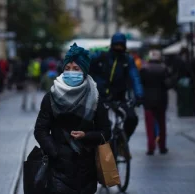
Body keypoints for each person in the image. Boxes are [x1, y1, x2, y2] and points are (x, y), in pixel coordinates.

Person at [34, 43, 111, 194]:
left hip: (86, 169)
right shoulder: (52, 96)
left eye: (76, 69)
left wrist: (87, 136)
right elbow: (40, 130)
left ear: (84, 70)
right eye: (67, 68)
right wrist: (54, 152)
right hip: (58, 169)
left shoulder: (95, 97)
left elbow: (106, 132)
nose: (71, 72)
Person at [90, 32, 144, 141]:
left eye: (121, 45)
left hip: (120, 98)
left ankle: (122, 142)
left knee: (132, 119)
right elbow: (86, 61)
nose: (118, 48)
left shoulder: (127, 60)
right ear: (112, 45)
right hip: (100, 97)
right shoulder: (101, 56)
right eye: (116, 45)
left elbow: (135, 77)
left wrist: (139, 95)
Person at [140, 50, 171, 155]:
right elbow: (168, 84)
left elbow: (141, 84)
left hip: (148, 101)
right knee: (162, 125)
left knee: (149, 126)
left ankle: (151, 147)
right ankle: (162, 147)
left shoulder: (144, 69)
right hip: (161, 101)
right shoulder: (164, 68)